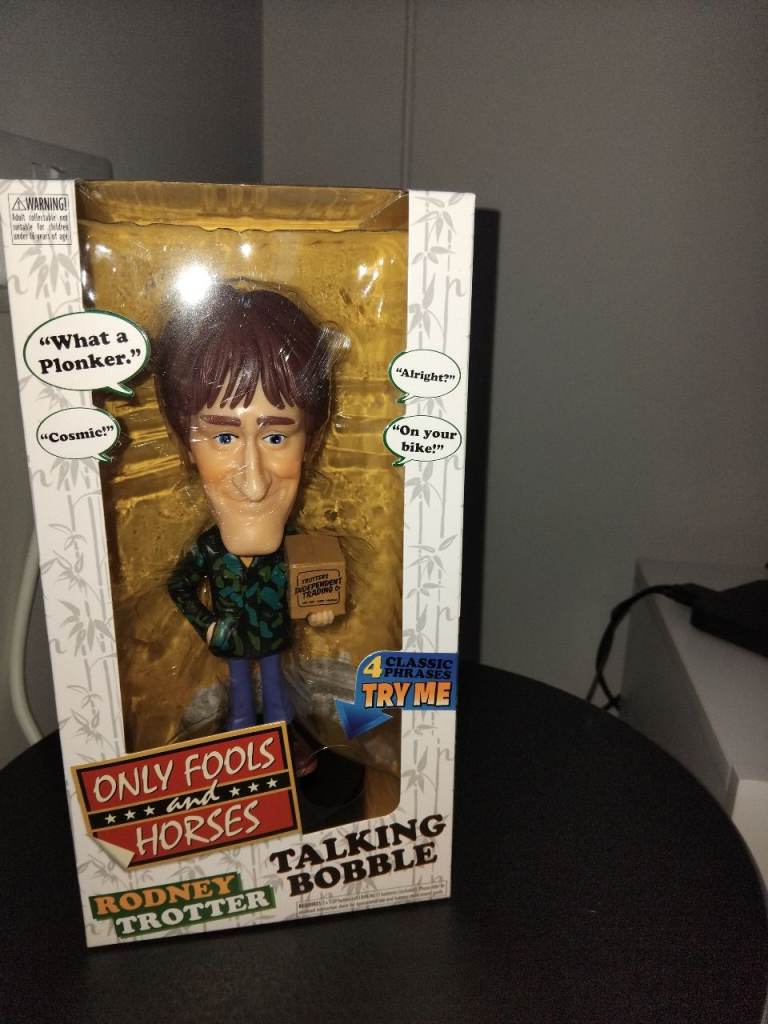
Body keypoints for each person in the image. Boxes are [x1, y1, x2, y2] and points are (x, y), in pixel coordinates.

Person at [155, 283, 335, 773]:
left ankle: (280, 740)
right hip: (232, 637)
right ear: (185, 443)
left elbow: (313, 579)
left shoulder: (293, 546)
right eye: (223, 437)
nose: (253, 483)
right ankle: (239, 746)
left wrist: (317, 608)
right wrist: (208, 624)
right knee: (239, 700)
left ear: (310, 440)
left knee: (276, 696)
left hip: (272, 637)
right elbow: (180, 586)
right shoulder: (210, 549)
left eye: (276, 437)